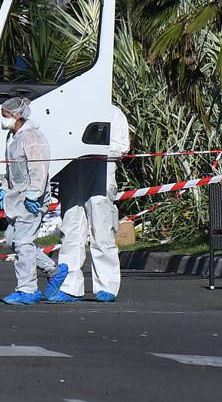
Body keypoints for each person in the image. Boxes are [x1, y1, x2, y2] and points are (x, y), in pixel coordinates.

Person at [49, 104, 130, 303]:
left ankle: (107, 285)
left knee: (102, 230)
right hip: (73, 170)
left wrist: (95, 150)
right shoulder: (70, 109)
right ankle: (69, 286)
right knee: (71, 229)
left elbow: (121, 146)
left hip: (101, 171)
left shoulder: (112, 112)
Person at [0, 96, 66, 305]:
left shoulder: (32, 137)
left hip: (31, 199)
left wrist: (33, 195)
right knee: (13, 240)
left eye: (6, 116)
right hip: (16, 198)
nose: (3, 120)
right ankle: (53, 271)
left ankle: (27, 289)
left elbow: (39, 169)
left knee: (23, 242)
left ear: (17, 115)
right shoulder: (14, 136)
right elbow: (12, 169)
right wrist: (4, 189)